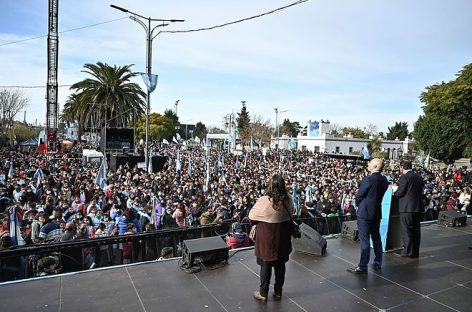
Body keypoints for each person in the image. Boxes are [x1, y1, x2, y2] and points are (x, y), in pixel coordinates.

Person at [249, 174, 293, 303]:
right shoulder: (288, 200)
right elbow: (292, 212)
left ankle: (263, 293)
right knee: (280, 265)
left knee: (265, 265)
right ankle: (278, 291)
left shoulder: (264, 200)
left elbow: (251, 216)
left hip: (267, 238)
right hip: (282, 237)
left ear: (270, 185)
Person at [347, 158, 388, 274]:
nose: (368, 165)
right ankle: (378, 262)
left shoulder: (369, 179)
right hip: (376, 212)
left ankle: (363, 266)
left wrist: (359, 205)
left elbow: (359, 195)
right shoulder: (384, 180)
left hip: (365, 213)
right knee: (376, 237)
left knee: (365, 240)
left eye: (370, 163)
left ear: (375, 166)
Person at [394, 160, 425, 258]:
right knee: (416, 230)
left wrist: (394, 192)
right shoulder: (419, 177)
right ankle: (415, 252)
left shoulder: (404, 177)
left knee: (407, 230)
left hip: (407, 208)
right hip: (418, 207)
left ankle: (407, 251)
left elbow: (400, 192)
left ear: (402, 167)